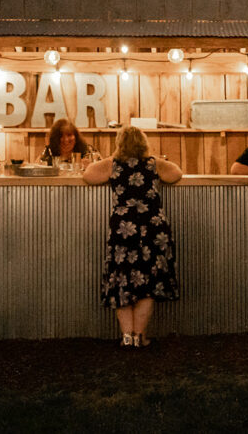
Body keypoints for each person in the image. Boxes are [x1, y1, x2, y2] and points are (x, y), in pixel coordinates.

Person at [83, 125, 182, 349]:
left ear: (119, 144)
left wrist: (111, 159)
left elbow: (88, 175)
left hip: (123, 229)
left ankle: (127, 337)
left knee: (122, 280)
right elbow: (177, 173)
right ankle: (140, 336)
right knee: (149, 280)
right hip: (153, 227)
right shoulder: (153, 163)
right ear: (143, 144)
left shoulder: (112, 164)